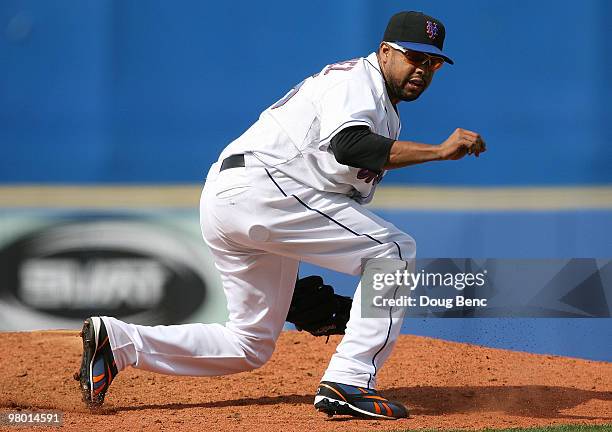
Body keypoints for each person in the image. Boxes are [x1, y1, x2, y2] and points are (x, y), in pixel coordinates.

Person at [75, 11, 485, 420]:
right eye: (414, 56)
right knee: (394, 252)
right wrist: (437, 151)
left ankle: (118, 342)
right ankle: (350, 380)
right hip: (263, 191)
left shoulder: (384, 111)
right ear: (384, 51)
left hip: (240, 199)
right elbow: (350, 146)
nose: (423, 69)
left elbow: (337, 197)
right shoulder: (357, 82)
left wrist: (289, 289)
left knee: (249, 344)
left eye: (433, 62)